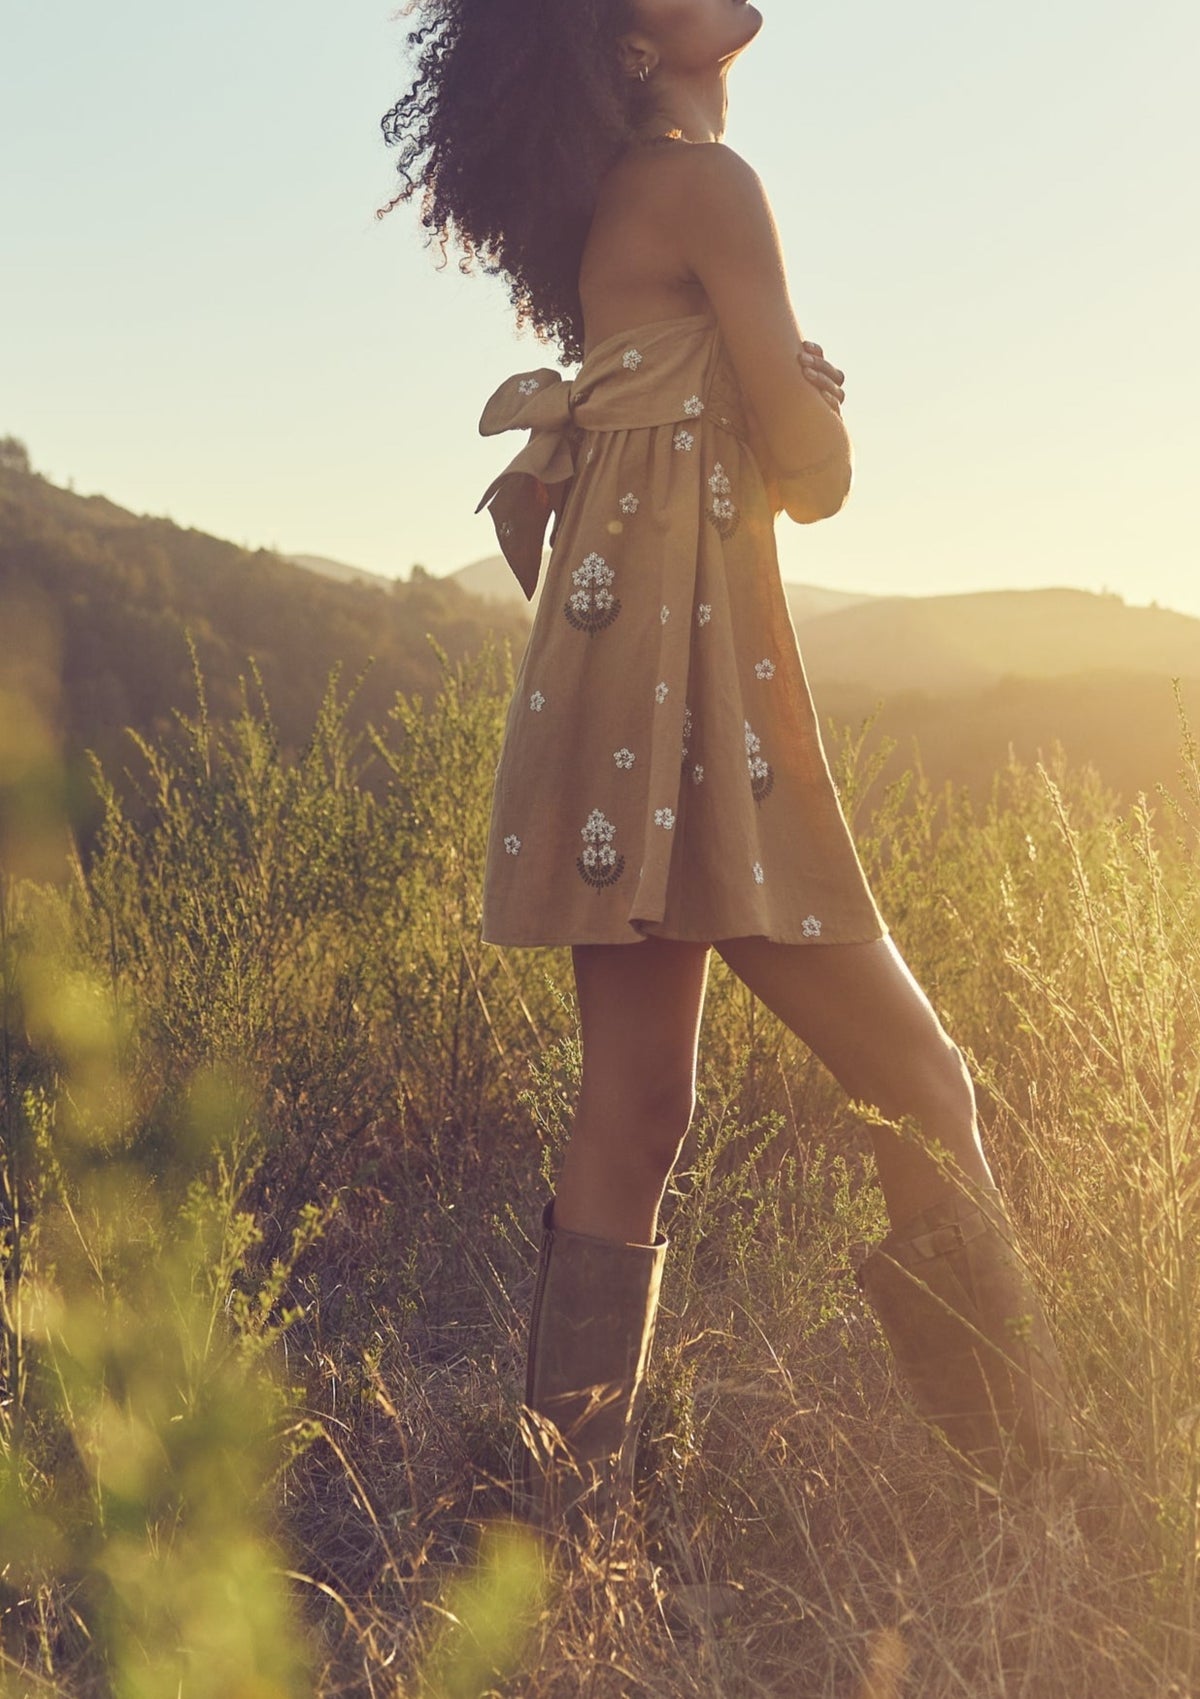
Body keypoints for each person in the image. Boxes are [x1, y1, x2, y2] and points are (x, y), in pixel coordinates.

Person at [381, 0, 1094, 1543]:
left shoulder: (626, 205)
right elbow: (816, 477)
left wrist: (762, 396)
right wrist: (812, 402)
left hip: (614, 690)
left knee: (636, 1109)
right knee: (919, 1083)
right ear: (630, 46)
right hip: (696, 709)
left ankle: (566, 1526)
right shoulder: (710, 184)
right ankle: (1034, 1492)